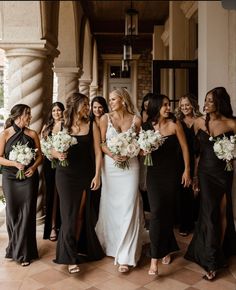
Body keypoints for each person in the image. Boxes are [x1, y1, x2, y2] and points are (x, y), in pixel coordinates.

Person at [185, 87, 236, 281]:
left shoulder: (231, 123)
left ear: (220, 103)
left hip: (224, 174)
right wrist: (194, 176)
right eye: (205, 100)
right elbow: (194, 153)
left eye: (210, 101)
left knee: (222, 212)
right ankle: (211, 260)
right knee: (208, 213)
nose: (205, 104)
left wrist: (231, 154)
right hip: (205, 173)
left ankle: (220, 251)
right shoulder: (198, 123)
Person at [52, 92, 104, 274]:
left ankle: (75, 249)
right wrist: (57, 154)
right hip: (65, 175)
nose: (88, 108)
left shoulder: (92, 125)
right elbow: (50, 148)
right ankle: (68, 258)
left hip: (85, 174)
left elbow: (98, 152)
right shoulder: (60, 126)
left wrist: (97, 175)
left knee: (81, 214)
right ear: (75, 105)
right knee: (68, 215)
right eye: (85, 105)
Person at [95, 88, 146, 273]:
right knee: (111, 206)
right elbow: (102, 143)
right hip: (110, 167)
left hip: (131, 167)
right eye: (110, 99)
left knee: (129, 205)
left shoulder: (137, 120)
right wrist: (114, 154)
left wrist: (134, 151)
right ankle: (111, 245)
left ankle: (127, 254)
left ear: (123, 100)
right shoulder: (104, 119)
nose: (111, 102)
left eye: (114, 99)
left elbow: (141, 145)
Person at [143, 93, 191, 276]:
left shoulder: (174, 124)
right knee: (156, 214)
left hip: (171, 175)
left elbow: (185, 148)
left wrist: (187, 170)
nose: (168, 108)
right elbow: (141, 151)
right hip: (154, 176)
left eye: (168, 105)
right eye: (164, 105)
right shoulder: (147, 126)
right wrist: (144, 150)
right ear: (156, 107)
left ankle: (168, 247)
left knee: (166, 214)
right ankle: (154, 260)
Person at [0, 104, 42, 266]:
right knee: (12, 213)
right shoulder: (5, 134)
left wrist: (32, 167)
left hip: (29, 177)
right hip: (10, 177)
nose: (30, 117)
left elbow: (40, 156)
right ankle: (13, 247)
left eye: (30, 114)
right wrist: (14, 163)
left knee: (27, 213)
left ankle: (24, 253)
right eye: (27, 114)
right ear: (18, 116)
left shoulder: (33, 134)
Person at [175, 94, 202, 236]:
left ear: (192, 105)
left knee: (196, 191)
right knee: (184, 191)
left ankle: (196, 222)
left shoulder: (200, 120)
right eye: (182, 105)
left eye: (187, 104)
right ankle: (185, 224)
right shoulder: (177, 121)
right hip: (181, 159)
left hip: (198, 157)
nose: (184, 107)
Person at [41, 102, 65, 241]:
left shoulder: (66, 125)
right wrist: (49, 153)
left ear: (63, 112)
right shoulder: (47, 127)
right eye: (54, 110)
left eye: (59, 110)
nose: (56, 113)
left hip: (62, 163)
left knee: (61, 194)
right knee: (51, 194)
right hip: (49, 164)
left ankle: (61, 226)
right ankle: (51, 227)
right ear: (51, 112)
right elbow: (42, 144)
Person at [89, 96, 109, 222]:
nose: (97, 110)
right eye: (95, 107)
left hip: (106, 157)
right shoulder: (88, 121)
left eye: (100, 107)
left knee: (104, 188)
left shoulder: (107, 119)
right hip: (91, 157)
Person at [139, 93, 152, 213]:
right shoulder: (140, 115)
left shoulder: (155, 116)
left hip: (151, 149)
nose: (147, 106)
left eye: (149, 104)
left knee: (148, 177)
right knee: (142, 177)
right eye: (145, 104)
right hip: (142, 151)